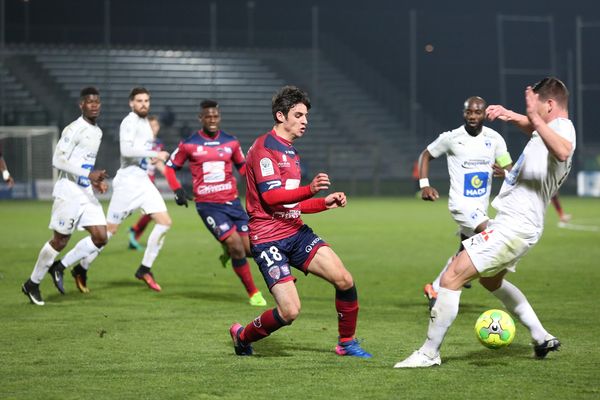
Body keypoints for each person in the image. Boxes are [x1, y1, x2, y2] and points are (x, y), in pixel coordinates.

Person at [394, 77, 574, 368]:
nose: (534, 115)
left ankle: (428, 353)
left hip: (513, 227)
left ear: (549, 105)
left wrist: (530, 118)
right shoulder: (550, 129)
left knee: (451, 277)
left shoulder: (562, 129)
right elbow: (540, 133)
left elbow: (563, 149)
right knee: (492, 280)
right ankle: (541, 336)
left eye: (537, 108)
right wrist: (516, 116)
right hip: (518, 225)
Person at [228, 86, 372, 358]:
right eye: (299, 114)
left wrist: (323, 203)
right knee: (289, 311)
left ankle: (346, 342)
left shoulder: (291, 152)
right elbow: (272, 198)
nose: (305, 120)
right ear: (281, 116)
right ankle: (242, 335)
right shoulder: (264, 149)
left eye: (306, 115)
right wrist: (310, 189)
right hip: (268, 239)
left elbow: (291, 204)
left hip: (295, 232)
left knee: (344, 279)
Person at [164, 100, 267, 307]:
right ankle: (254, 293)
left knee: (249, 250)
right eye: (208, 117)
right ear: (200, 118)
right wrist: (177, 191)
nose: (212, 120)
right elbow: (169, 167)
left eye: (215, 116)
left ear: (219, 117)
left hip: (233, 203)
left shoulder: (231, 142)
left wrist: (261, 186)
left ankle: (227, 250)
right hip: (208, 205)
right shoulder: (189, 143)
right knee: (236, 246)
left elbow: (243, 169)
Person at [419, 96, 512, 310]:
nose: (472, 116)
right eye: (469, 112)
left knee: (465, 250)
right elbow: (425, 155)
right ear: (464, 113)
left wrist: (506, 172)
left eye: (477, 112)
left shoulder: (494, 139)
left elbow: (509, 167)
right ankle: (471, 273)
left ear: (484, 114)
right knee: (491, 235)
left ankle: (434, 287)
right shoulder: (452, 138)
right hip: (461, 205)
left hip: (481, 206)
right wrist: (425, 185)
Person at [78, 87, 172, 292]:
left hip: (143, 183)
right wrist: (154, 153)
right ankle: (82, 266)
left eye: (147, 100)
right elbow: (127, 151)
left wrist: (157, 161)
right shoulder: (130, 122)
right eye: (140, 100)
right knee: (109, 232)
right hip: (128, 184)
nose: (144, 104)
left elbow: (149, 158)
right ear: (131, 102)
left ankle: (144, 268)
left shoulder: (145, 126)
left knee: (165, 222)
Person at [22, 87, 109, 305]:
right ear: (81, 105)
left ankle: (59, 267)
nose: (94, 105)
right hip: (68, 191)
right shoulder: (73, 129)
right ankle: (32, 284)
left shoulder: (97, 131)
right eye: (90, 102)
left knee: (100, 237)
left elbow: (81, 163)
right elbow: (58, 161)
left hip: (85, 191)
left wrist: (93, 180)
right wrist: (88, 174)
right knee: (60, 240)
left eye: (97, 102)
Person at [128, 115, 166, 250]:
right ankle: (133, 231)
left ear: (158, 127)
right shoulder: (140, 143)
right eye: (150, 126)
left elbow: (159, 163)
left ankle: (134, 236)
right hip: (139, 180)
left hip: (150, 181)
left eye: (155, 126)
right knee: (153, 211)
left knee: (151, 212)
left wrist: (170, 175)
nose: (152, 129)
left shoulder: (158, 144)